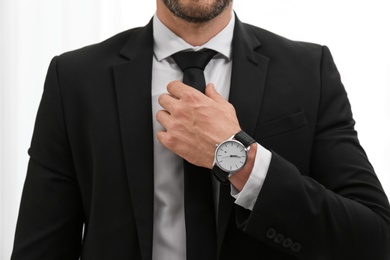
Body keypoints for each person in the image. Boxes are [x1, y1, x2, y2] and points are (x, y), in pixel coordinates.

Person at [11, 0, 390, 259]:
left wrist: (239, 158)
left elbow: (375, 239)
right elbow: (40, 249)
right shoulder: (76, 78)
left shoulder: (309, 70)